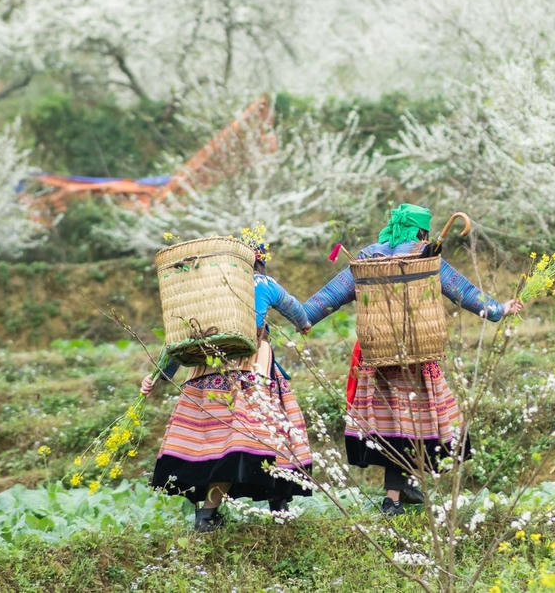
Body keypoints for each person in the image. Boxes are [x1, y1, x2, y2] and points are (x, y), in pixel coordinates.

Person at [298, 204, 522, 515]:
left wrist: (303, 318)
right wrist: (498, 309)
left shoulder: (367, 257)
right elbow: (462, 290)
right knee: (415, 423)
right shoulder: (426, 255)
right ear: (420, 231)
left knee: (394, 423)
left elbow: (329, 296)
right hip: (418, 354)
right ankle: (394, 497)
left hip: (377, 357)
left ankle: (403, 489)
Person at [141, 244, 313, 532]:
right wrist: (305, 324)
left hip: (206, 374)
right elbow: (297, 311)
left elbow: (180, 341)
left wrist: (157, 377)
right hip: (252, 371)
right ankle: (279, 512)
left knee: (219, 446)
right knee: (273, 438)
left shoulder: (206, 289)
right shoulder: (262, 283)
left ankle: (206, 516)